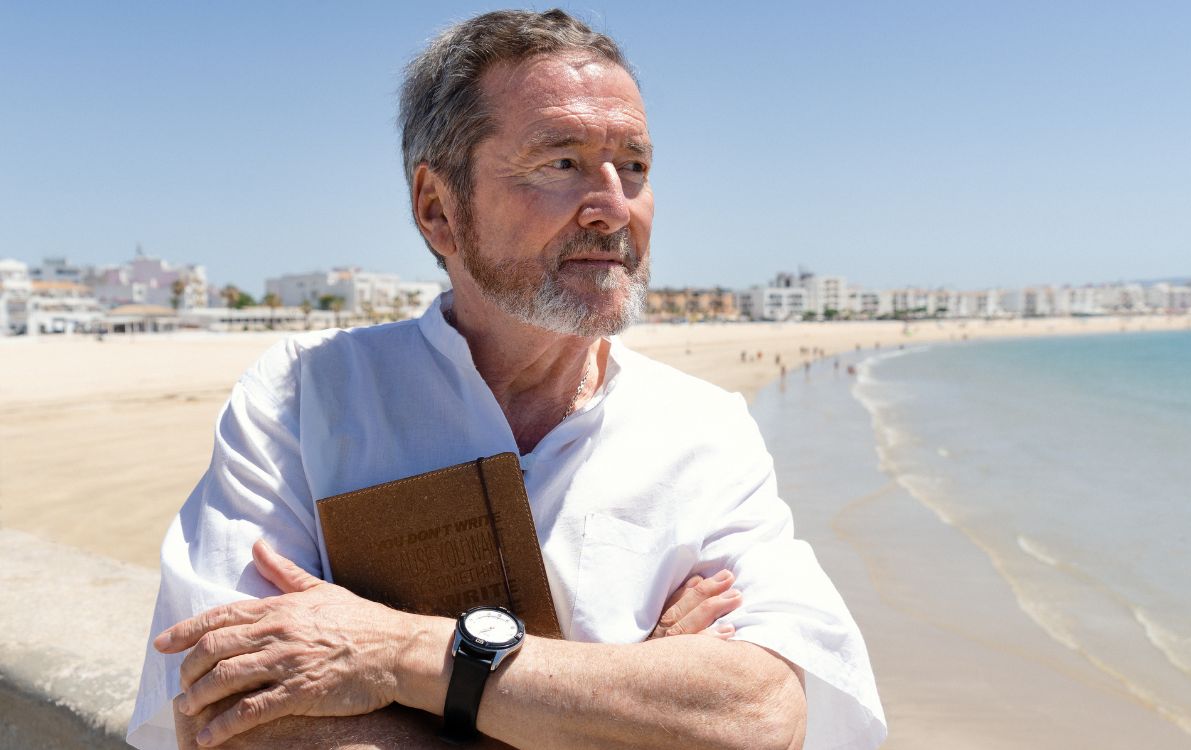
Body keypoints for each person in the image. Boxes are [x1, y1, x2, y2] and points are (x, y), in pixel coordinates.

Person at [129, 9, 884, 750]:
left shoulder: (706, 428)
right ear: (438, 210)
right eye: (561, 162)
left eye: (634, 166)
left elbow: (755, 715)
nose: (613, 207)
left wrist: (393, 652)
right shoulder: (307, 394)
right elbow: (233, 710)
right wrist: (619, 700)